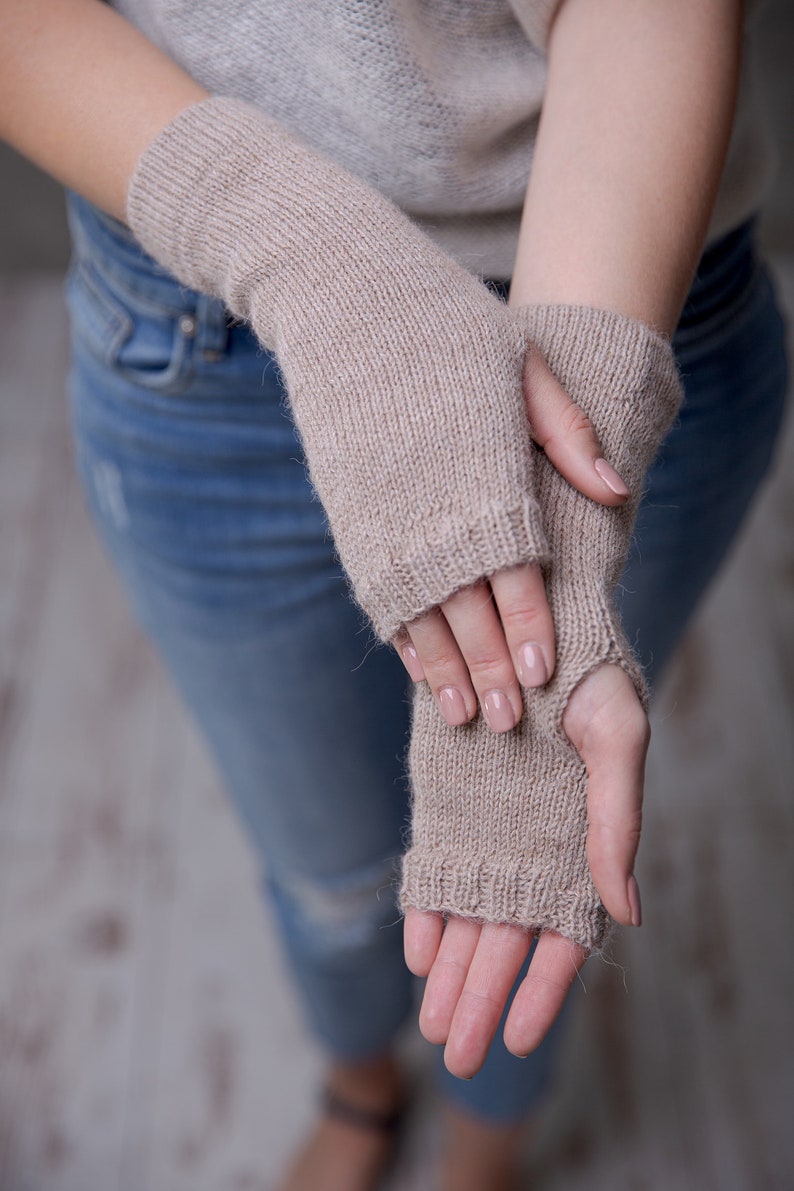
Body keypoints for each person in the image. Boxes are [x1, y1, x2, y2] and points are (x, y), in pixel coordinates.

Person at [1, 2, 788, 1189]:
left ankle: (484, 1141)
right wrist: (301, 248)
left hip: (607, 313)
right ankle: (361, 1084)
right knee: (326, 866)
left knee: (523, 869)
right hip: (201, 321)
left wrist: (556, 519)